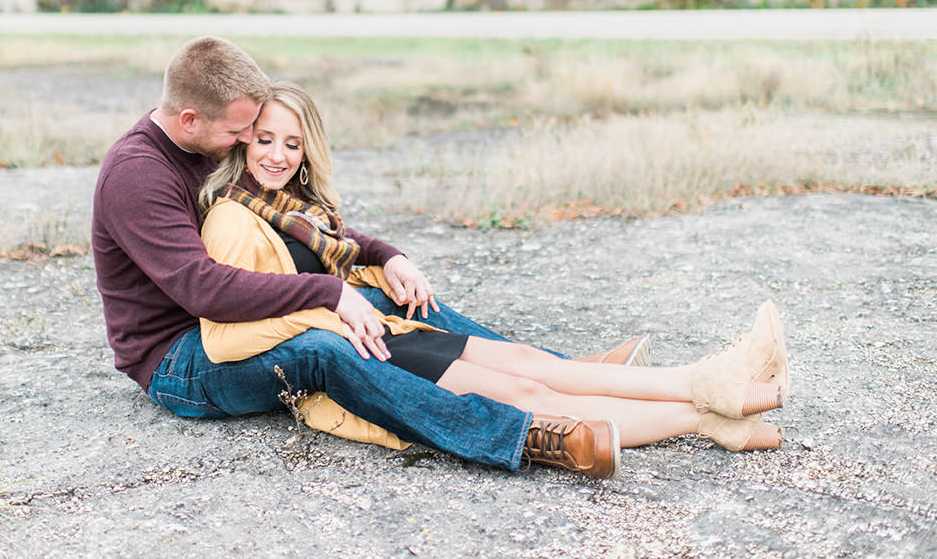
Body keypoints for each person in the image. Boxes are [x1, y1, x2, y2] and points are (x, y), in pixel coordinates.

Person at [92, 37, 786, 480]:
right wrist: (330, 299)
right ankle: (524, 432)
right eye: (243, 133)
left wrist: (384, 258)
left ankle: (577, 374)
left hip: (246, 313)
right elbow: (204, 288)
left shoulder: (220, 162)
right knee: (325, 348)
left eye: (269, 134)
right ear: (191, 121)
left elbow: (318, 240)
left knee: (392, 303)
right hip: (182, 356)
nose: (252, 144)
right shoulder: (141, 174)